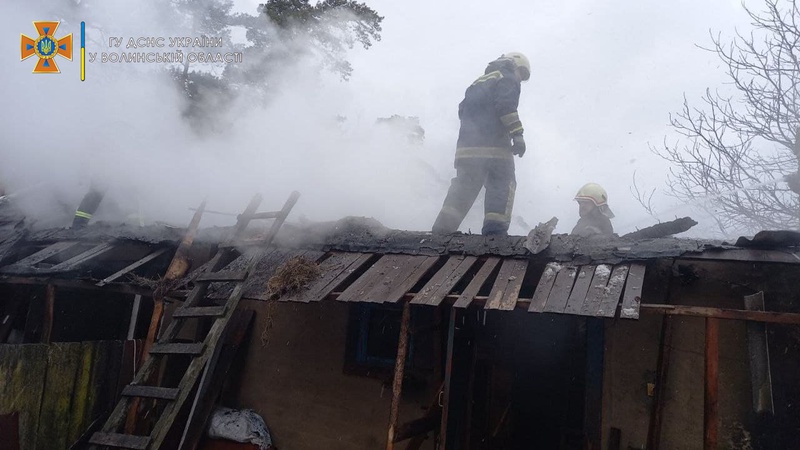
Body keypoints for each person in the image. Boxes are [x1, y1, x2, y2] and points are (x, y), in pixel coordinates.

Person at [432, 52, 531, 236]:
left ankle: (441, 231)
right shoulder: (507, 77)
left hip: (466, 149)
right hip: (495, 149)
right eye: (522, 74)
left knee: (464, 187)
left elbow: (462, 110)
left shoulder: (477, 83)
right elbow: (506, 106)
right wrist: (518, 134)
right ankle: (494, 234)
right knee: (502, 183)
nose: (520, 78)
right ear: (514, 66)